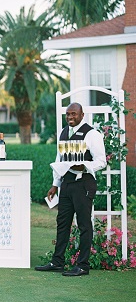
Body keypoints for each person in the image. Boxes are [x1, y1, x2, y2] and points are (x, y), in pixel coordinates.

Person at [35, 102, 106, 276]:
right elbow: (59, 159)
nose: (70, 117)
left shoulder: (92, 134)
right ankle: (57, 262)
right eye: (68, 114)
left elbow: (101, 161)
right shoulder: (64, 132)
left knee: (84, 225)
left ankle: (83, 265)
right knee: (62, 223)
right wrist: (55, 185)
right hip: (66, 185)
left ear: (82, 115)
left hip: (83, 184)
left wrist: (84, 166)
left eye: (74, 114)